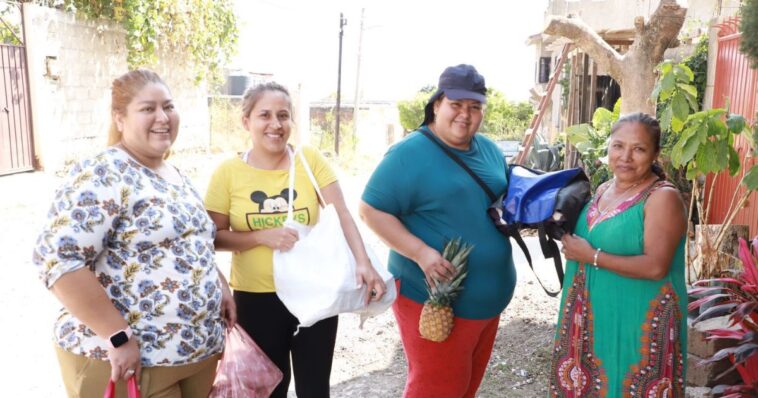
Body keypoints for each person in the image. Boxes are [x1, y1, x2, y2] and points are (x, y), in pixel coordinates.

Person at [32, 69, 236, 397]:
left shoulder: (173, 173)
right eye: (148, 109)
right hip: (131, 363)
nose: (162, 117)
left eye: (168, 106)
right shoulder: (104, 172)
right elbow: (55, 257)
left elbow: (191, 242)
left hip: (194, 355)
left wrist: (219, 284)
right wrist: (117, 336)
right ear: (120, 118)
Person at [204, 81, 386, 398]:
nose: (276, 124)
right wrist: (261, 236)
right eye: (265, 115)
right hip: (256, 298)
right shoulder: (228, 173)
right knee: (269, 389)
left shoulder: (308, 161)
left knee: (314, 389)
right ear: (246, 121)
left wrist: (363, 263)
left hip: (313, 293)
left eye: (283, 115)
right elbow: (213, 238)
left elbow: (341, 213)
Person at [359, 64, 516, 398]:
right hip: (436, 301)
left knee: (464, 388)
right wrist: (421, 253)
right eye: (456, 105)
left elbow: (495, 201)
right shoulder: (410, 153)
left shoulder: (488, 148)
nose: (465, 115)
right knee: (436, 390)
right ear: (436, 105)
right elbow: (370, 210)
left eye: (474, 107)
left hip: (488, 301)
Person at [549, 112, 687, 397]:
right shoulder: (602, 190)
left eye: (638, 149)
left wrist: (591, 256)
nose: (626, 156)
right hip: (593, 321)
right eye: (618, 146)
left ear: (655, 154)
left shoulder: (662, 197)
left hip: (636, 323)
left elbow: (656, 267)